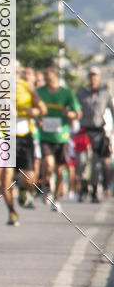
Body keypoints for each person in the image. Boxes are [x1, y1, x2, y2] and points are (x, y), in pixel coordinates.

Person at [0, 61, 46, 225]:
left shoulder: (27, 87)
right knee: (5, 176)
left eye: (16, 70)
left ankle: (23, 190)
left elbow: (42, 109)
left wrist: (33, 111)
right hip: (5, 136)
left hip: (24, 135)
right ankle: (11, 212)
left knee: (29, 180)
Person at [37, 64, 81, 212]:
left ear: (56, 76)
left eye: (48, 76)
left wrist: (70, 114)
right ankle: (46, 187)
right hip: (45, 135)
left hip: (61, 136)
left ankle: (56, 199)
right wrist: (37, 118)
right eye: (45, 76)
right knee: (48, 163)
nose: (45, 78)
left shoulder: (66, 93)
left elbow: (78, 113)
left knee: (60, 170)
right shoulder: (39, 92)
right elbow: (34, 109)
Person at [76, 66, 114, 203]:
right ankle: (84, 187)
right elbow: (74, 108)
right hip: (83, 131)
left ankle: (94, 190)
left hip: (98, 132)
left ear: (99, 77)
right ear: (88, 77)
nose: (93, 78)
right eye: (91, 75)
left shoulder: (105, 94)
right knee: (81, 162)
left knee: (96, 164)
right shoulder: (81, 93)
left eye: (96, 75)